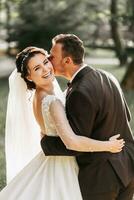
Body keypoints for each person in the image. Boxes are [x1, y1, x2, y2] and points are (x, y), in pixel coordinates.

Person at [0, 47, 124, 200]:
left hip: (51, 158)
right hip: (62, 167)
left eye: (46, 62)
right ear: (29, 76)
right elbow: (72, 142)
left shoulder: (38, 95)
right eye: (37, 68)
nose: (46, 69)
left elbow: (43, 133)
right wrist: (108, 146)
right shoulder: (52, 102)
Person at [41, 34, 134, 200]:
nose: (48, 59)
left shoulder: (80, 91)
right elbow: (126, 115)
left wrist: (45, 142)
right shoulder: (108, 76)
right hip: (127, 168)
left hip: (101, 178)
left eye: (52, 56)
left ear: (67, 61)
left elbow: (75, 144)